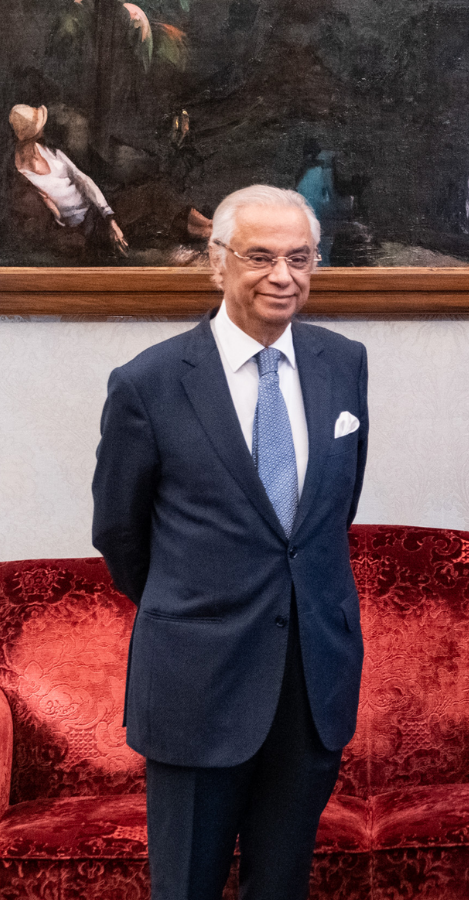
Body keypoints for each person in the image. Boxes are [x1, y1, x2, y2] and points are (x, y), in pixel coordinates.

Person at [91, 185, 369, 900]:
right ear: (217, 263)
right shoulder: (149, 383)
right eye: (261, 256)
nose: (284, 275)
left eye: (300, 258)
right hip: (196, 686)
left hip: (312, 683)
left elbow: (327, 520)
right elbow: (121, 533)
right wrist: (197, 606)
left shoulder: (344, 364)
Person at [9, 103, 128, 258]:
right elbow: (45, 218)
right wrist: (55, 215)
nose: (43, 128)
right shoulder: (21, 175)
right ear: (34, 132)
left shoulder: (53, 153)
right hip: (77, 230)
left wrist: (109, 218)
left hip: (96, 212)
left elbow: (84, 180)